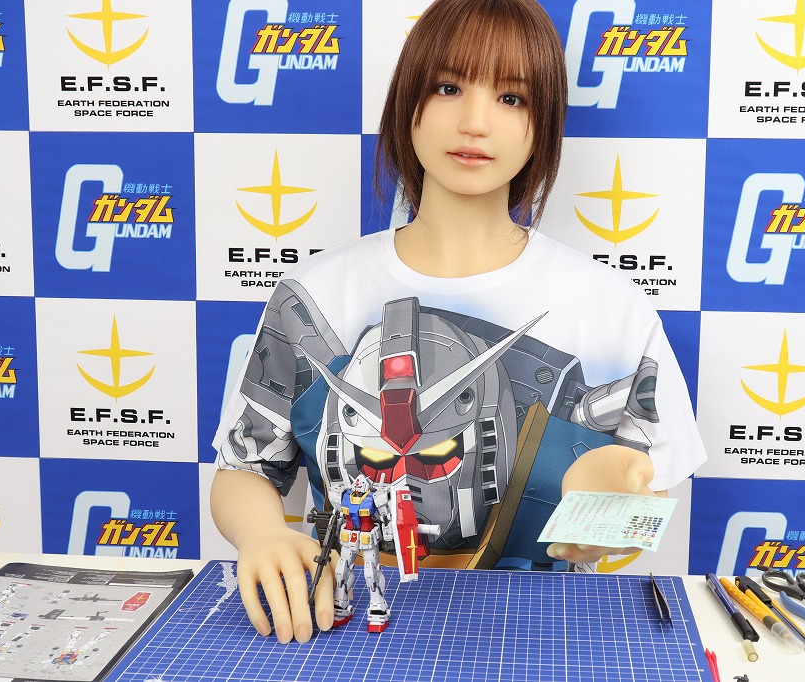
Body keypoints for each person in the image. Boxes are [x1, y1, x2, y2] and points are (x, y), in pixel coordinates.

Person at [211, 0, 706, 644]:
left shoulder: (611, 307)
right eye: (448, 88)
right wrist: (261, 532)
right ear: (407, 102)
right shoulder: (315, 296)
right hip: (343, 634)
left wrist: (606, 519)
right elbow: (247, 468)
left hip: (539, 637)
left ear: (543, 123)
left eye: (511, 98)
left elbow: (641, 505)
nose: (475, 122)